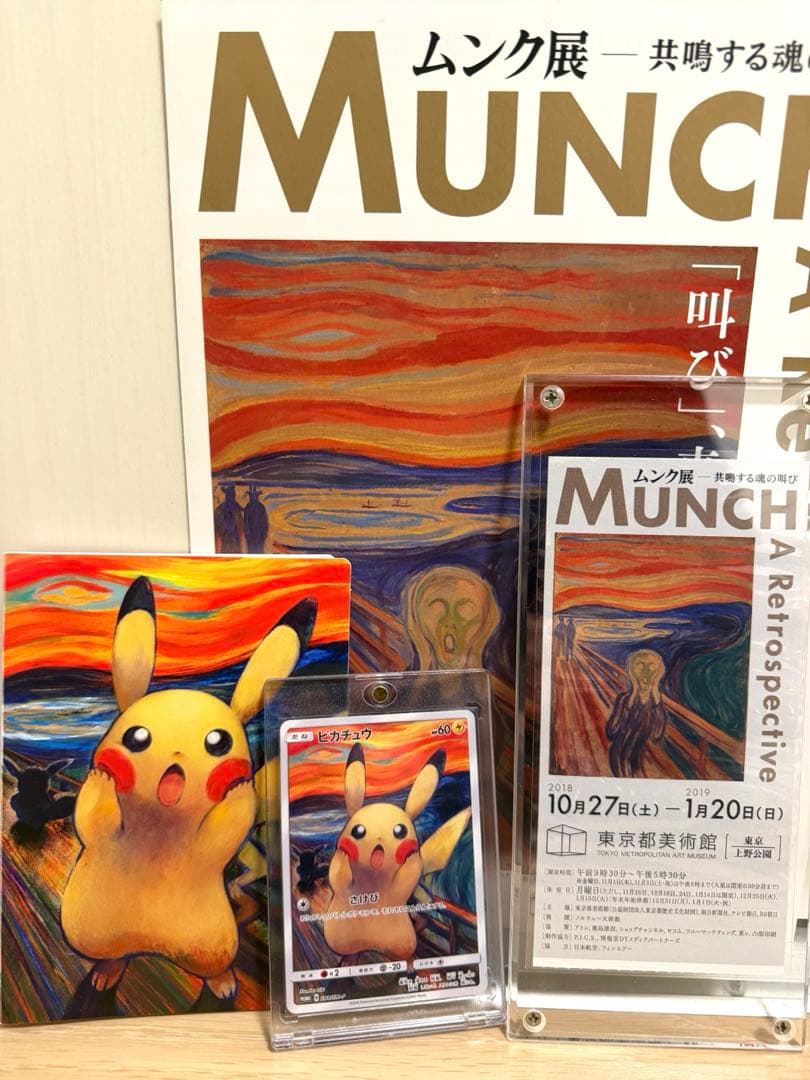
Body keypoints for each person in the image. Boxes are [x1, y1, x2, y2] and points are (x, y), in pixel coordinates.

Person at [606, 649, 668, 778]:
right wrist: (633, 695)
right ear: (632, 671)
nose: (645, 672)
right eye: (640, 666)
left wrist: (655, 690)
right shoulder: (623, 699)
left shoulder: (656, 703)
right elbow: (612, 732)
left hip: (643, 760)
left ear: (658, 673)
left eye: (651, 667)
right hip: (620, 756)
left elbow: (657, 735)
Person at [243, 485, 269, 552]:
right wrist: (247, 534)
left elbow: (265, 521)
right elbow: (246, 522)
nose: (253, 498)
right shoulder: (248, 507)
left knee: (259, 550)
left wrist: (264, 533)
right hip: (251, 535)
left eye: (255, 496)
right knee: (252, 551)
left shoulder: (261, 507)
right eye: (252, 496)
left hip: (259, 535)